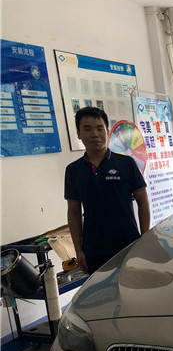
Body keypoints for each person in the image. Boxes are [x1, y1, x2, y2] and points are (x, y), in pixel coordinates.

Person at [65, 107, 151, 274]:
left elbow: (142, 201)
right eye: (87, 129)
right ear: (78, 134)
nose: (95, 134)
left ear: (107, 131)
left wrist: (145, 237)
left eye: (100, 128)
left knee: (132, 286)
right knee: (101, 289)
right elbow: (73, 212)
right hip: (94, 249)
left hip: (128, 244)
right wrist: (78, 250)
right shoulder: (73, 170)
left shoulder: (126, 163)